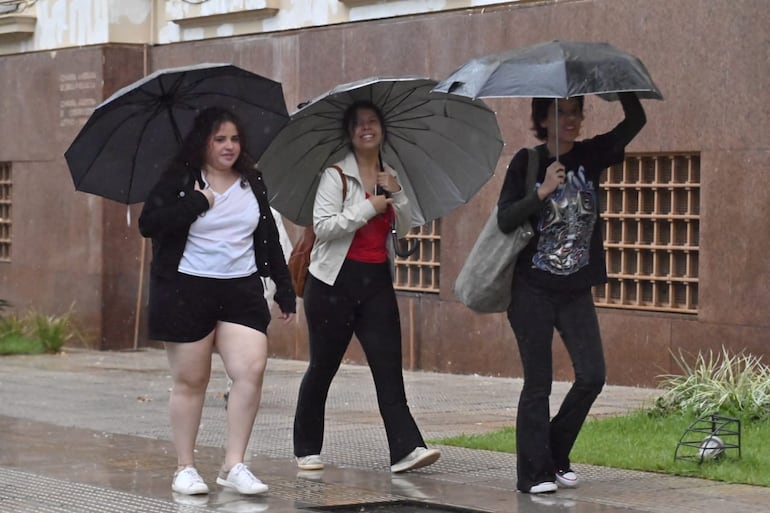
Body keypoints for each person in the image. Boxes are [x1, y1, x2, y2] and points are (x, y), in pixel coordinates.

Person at [138, 107, 296, 496]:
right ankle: (185, 467)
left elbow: (268, 236)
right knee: (192, 380)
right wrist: (196, 202)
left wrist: (285, 285)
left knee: (251, 368)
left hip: (240, 288)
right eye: (219, 139)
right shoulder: (180, 179)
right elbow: (149, 224)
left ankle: (234, 463)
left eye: (235, 139)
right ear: (202, 142)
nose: (229, 146)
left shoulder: (251, 180)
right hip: (186, 289)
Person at [497, 93, 646, 494]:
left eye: (577, 112)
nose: (572, 119)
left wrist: (621, 90)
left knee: (592, 376)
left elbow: (635, 122)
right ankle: (533, 475)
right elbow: (505, 218)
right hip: (531, 289)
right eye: (561, 112)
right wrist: (542, 191)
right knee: (538, 383)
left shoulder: (590, 155)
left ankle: (554, 453)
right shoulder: (526, 162)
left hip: (575, 288)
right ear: (542, 119)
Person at [292, 100, 441, 474]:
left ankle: (406, 449)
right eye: (358, 124)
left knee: (388, 367)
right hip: (332, 283)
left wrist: (397, 194)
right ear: (350, 133)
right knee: (323, 367)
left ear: (382, 130)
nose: (366, 128)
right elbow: (324, 226)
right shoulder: (335, 176)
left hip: (375, 281)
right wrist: (368, 208)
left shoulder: (388, 175)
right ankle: (307, 448)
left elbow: (404, 227)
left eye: (372, 122)